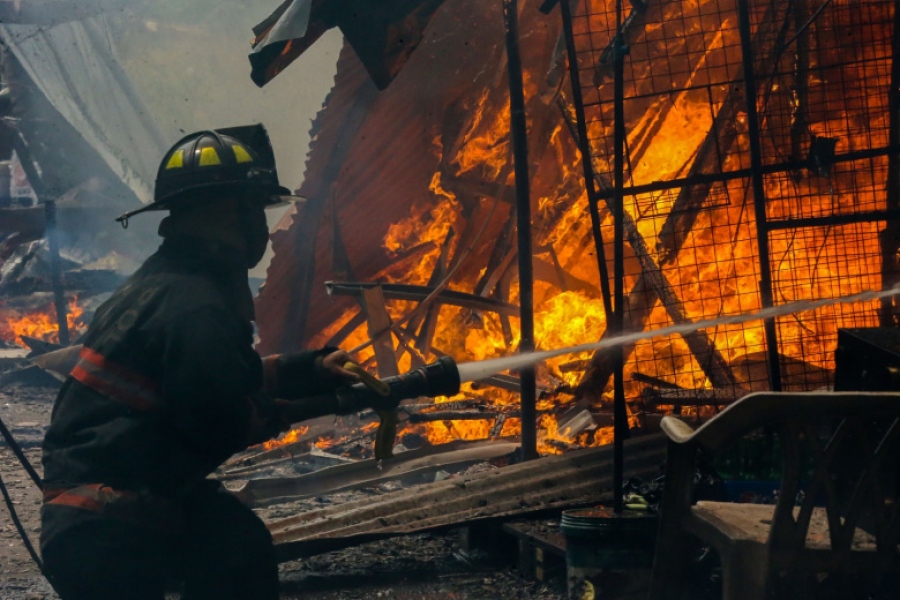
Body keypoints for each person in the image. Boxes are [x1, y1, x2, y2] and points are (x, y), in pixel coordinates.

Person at [40, 126, 390, 599]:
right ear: (224, 212)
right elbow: (218, 421)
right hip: (110, 533)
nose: (262, 229)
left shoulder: (164, 283)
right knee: (235, 554)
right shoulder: (195, 305)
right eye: (254, 211)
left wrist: (311, 369)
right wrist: (299, 408)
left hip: (104, 515)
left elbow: (215, 377)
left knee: (234, 541)